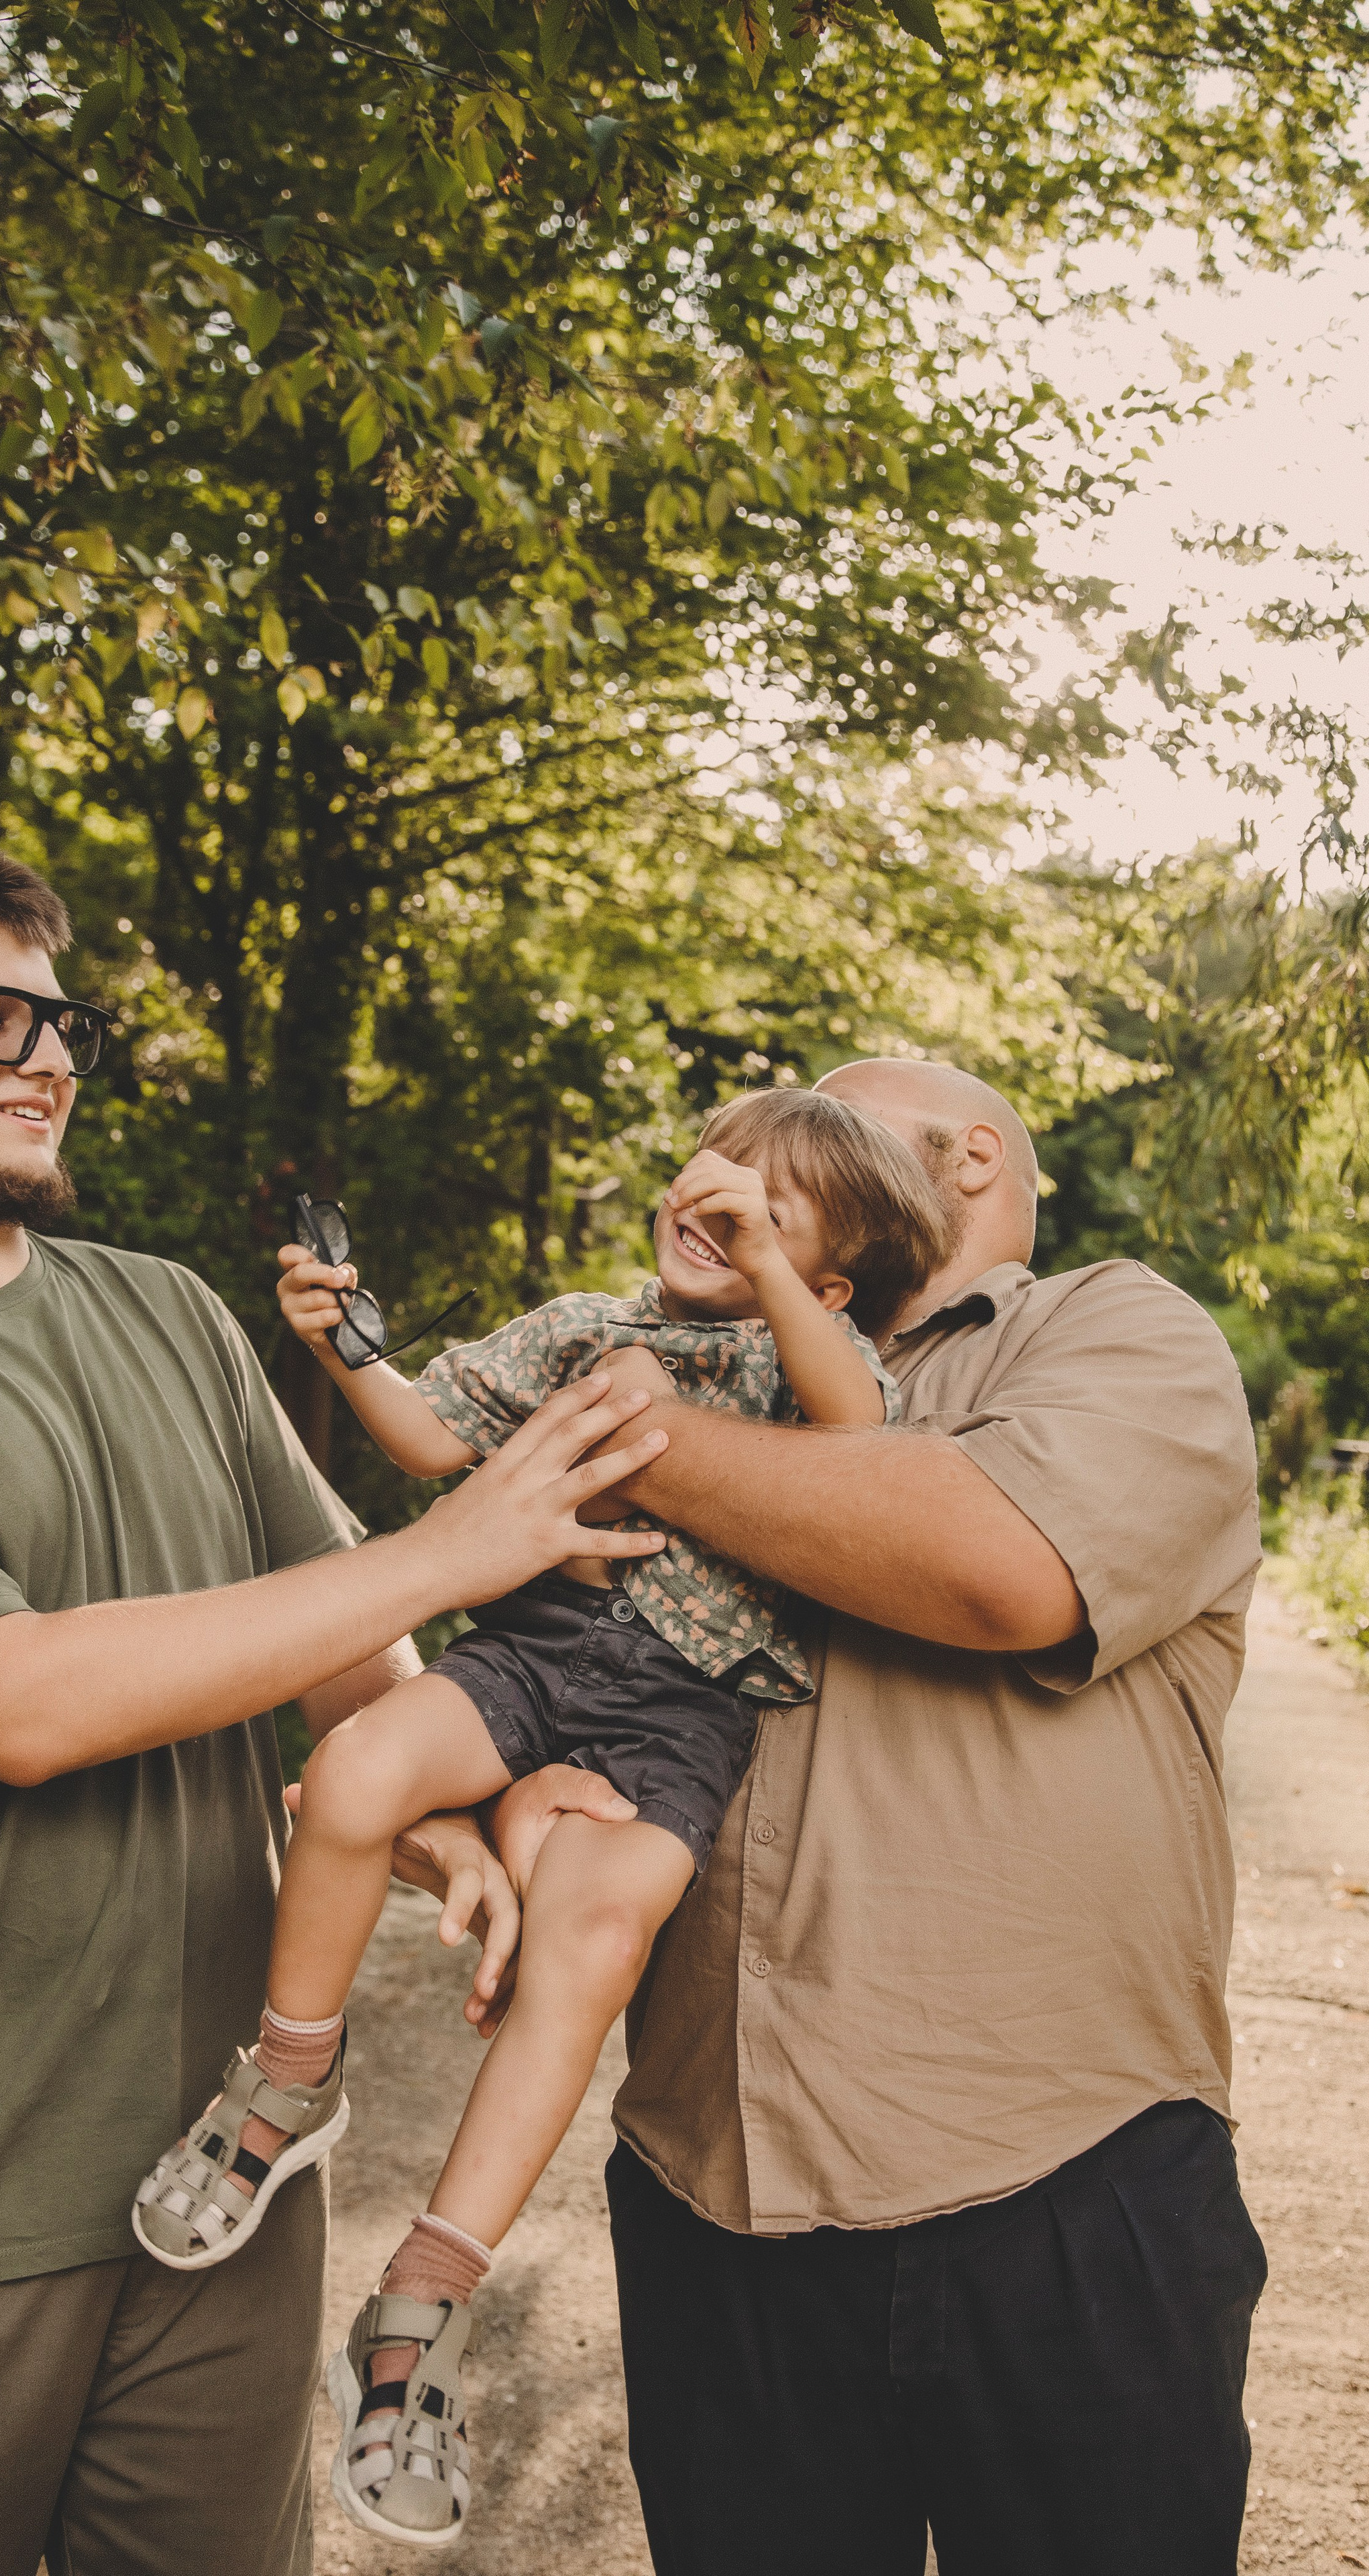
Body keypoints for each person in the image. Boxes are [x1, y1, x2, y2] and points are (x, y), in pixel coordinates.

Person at [0, 848, 669, 2576]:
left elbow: (347, 1649)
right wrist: (457, 1546)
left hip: (224, 2187)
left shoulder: (170, 1313)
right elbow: (15, 1704)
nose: (46, 1058)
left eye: (62, 1026)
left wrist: (447, 1817)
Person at [130, 1086, 952, 2548]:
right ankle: (289, 2081)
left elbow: (861, 1430)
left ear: (825, 1283)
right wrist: (344, 1340)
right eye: (717, 1172)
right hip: (530, 1653)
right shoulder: (580, 1329)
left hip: (685, 1708)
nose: (723, 1204)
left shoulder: (802, 1362)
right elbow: (424, 1438)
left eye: (773, 1210)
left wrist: (769, 1275)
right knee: (359, 1771)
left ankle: (424, 2297)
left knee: (598, 1935)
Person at [496, 1056, 1266, 2576]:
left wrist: (615, 1420)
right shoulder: (701, 1357)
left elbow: (998, 1569)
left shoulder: (1114, 1332)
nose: (762, 1178)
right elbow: (508, 1637)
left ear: (967, 1158)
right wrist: (511, 1788)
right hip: (709, 2193)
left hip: (1066, 2191)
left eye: (831, 1137)